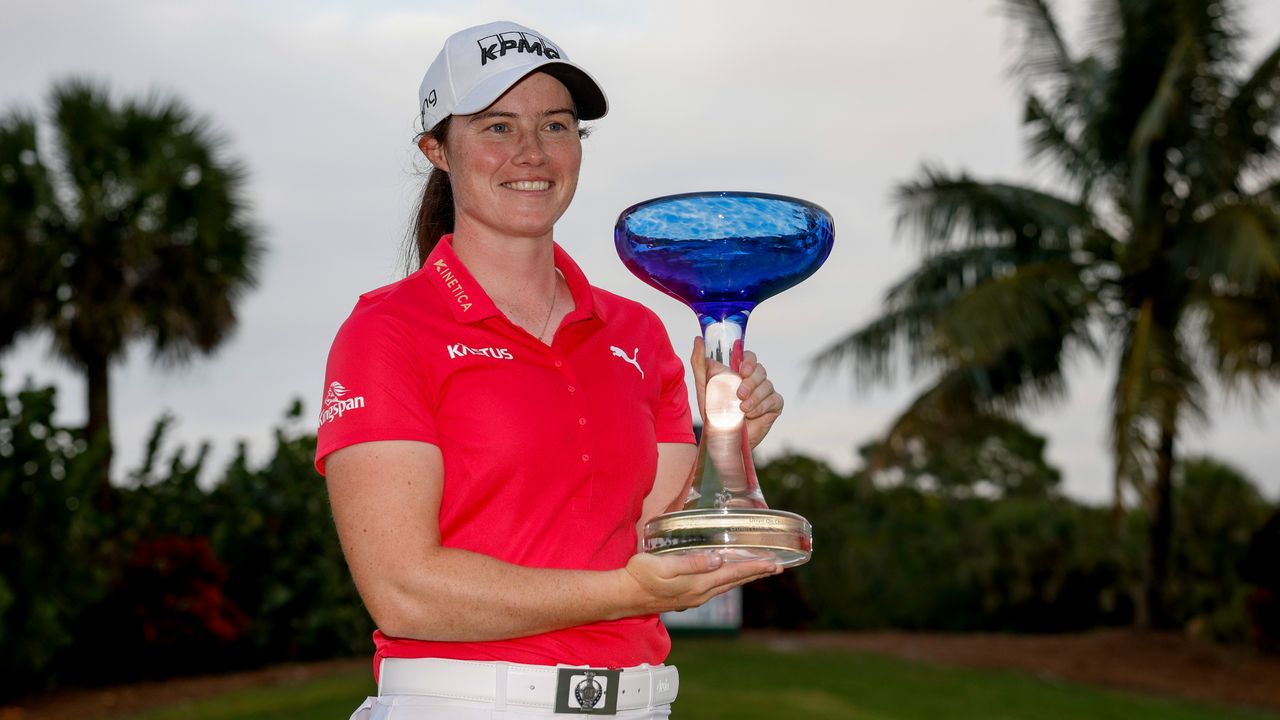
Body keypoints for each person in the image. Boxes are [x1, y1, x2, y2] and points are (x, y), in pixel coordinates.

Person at [317, 20, 786, 719]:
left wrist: (732, 440)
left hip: (639, 704)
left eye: (557, 126)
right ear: (437, 149)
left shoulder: (638, 330)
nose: (532, 153)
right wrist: (628, 594)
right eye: (497, 127)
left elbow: (658, 536)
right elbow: (406, 590)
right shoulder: (388, 331)